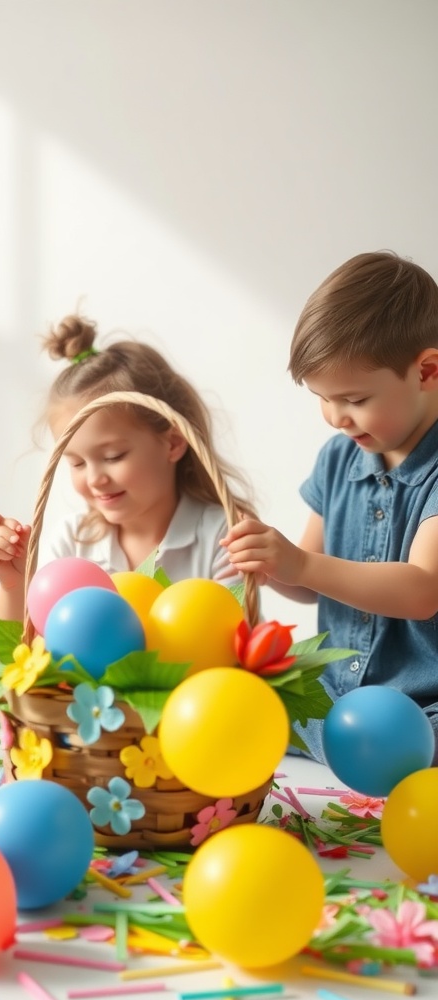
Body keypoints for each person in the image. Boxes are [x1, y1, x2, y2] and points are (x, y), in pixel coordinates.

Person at [222, 250, 438, 761]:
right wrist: (273, 564)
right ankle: (345, 748)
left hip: (422, 707)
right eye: (323, 398)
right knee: (235, 698)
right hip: (334, 696)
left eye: (356, 399)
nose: (336, 417)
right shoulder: (341, 456)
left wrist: (301, 564)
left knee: (403, 742)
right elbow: (305, 583)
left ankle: (366, 752)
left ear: (427, 370)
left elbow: (423, 590)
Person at [0, 314, 257, 626]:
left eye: (113, 456)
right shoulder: (73, 541)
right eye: (76, 463)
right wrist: (13, 584)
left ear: (173, 443)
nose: (95, 479)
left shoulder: (223, 536)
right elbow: (10, 659)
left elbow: (234, 644)